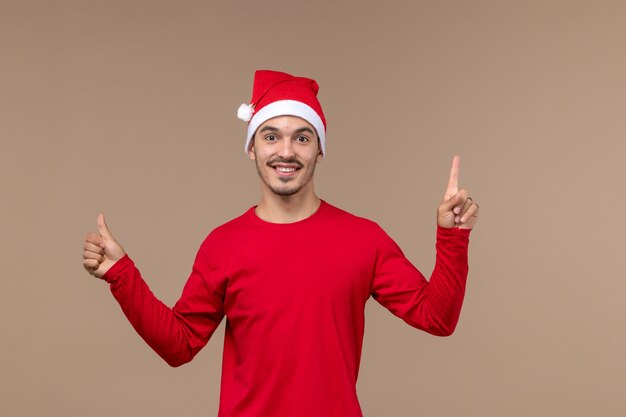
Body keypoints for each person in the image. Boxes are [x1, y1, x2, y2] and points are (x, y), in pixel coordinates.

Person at [82, 69, 479, 417]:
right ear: (252, 147)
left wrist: (453, 236)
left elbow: (437, 318)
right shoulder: (223, 246)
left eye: (302, 138)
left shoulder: (363, 239)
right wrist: (122, 275)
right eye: (271, 136)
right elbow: (179, 344)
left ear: (320, 149)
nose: (286, 151)